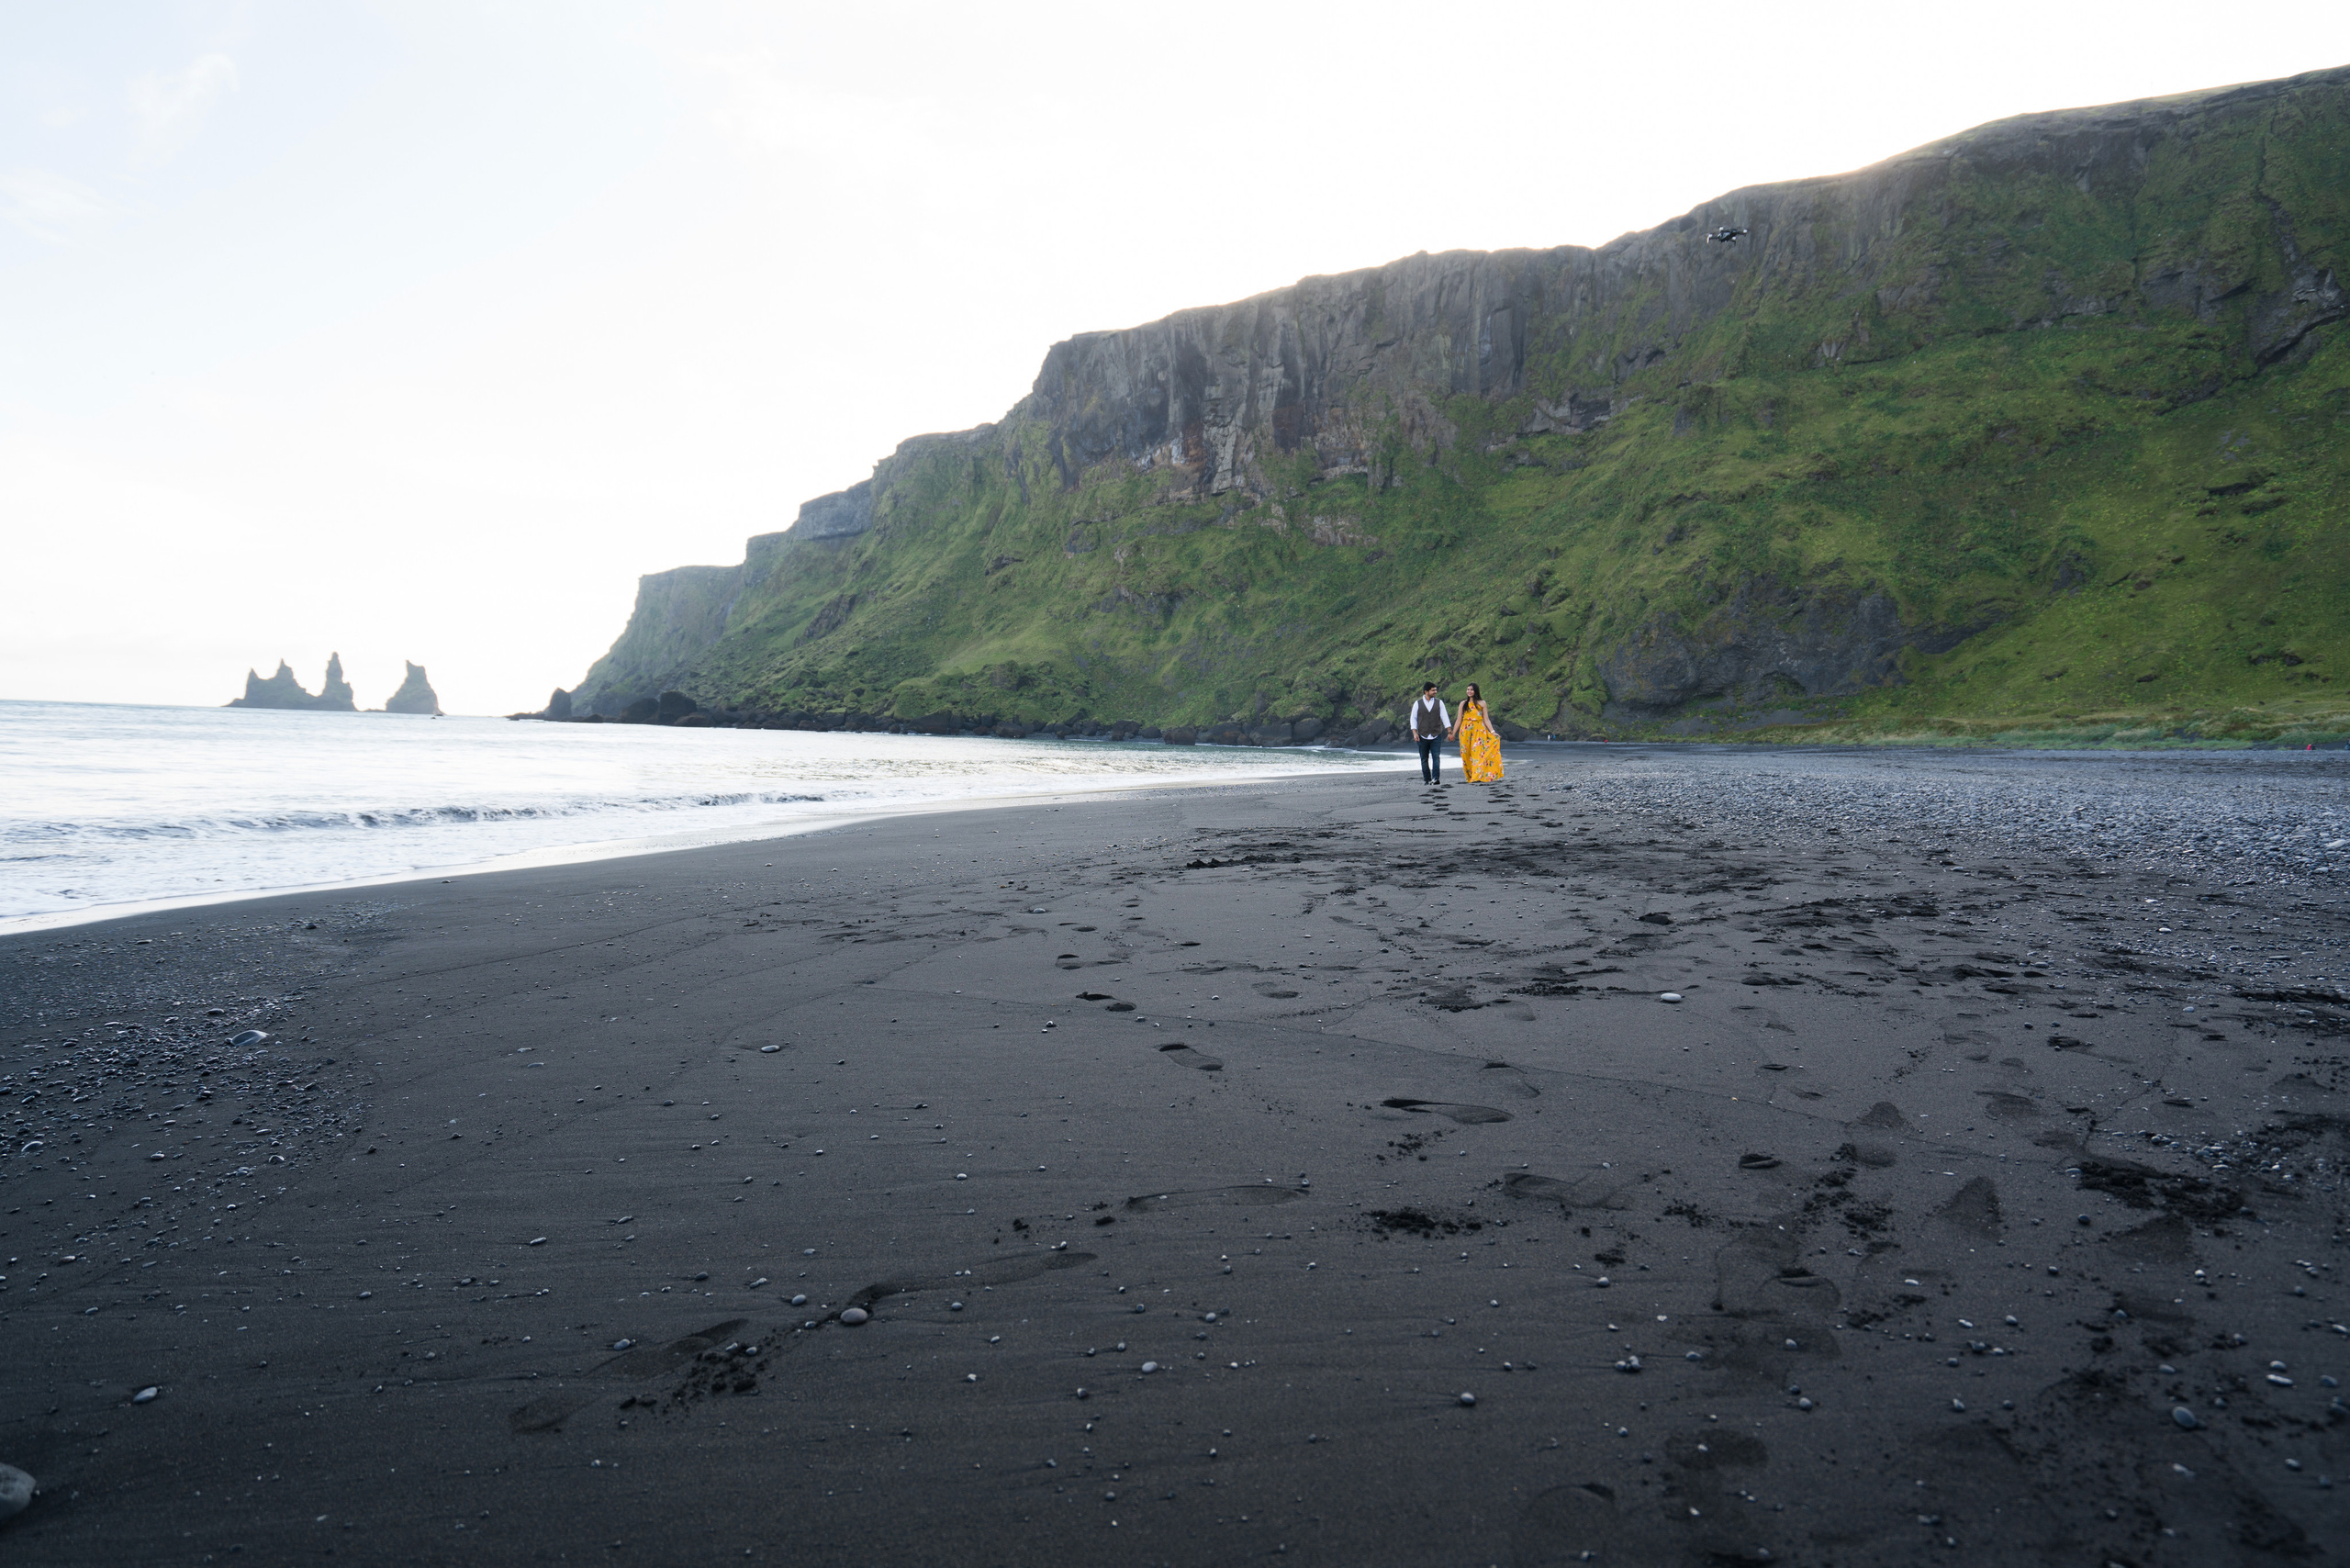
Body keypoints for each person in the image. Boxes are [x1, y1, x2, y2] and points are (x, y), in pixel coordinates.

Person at [1450, 682, 1504, 783]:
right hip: (1465, 731)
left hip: (1479, 730)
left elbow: (1486, 719)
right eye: (1468, 690)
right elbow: (1458, 719)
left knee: (1478, 753)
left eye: (1471, 690)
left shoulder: (1482, 703)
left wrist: (1492, 732)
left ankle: (1477, 777)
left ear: (1475, 691)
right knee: (1465, 755)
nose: (1469, 691)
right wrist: (1453, 733)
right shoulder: (1463, 704)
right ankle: (1470, 777)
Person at [1405, 682, 1450, 785]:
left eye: (1435, 690)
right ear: (1426, 691)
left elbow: (1445, 717)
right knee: (1424, 758)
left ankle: (1435, 778)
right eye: (1433, 690)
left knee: (1436, 756)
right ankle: (1427, 779)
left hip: (1436, 734)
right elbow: (1413, 719)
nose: (1435, 692)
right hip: (1422, 735)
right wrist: (1414, 733)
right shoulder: (1418, 703)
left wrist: (1449, 731)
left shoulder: (1439, 702)